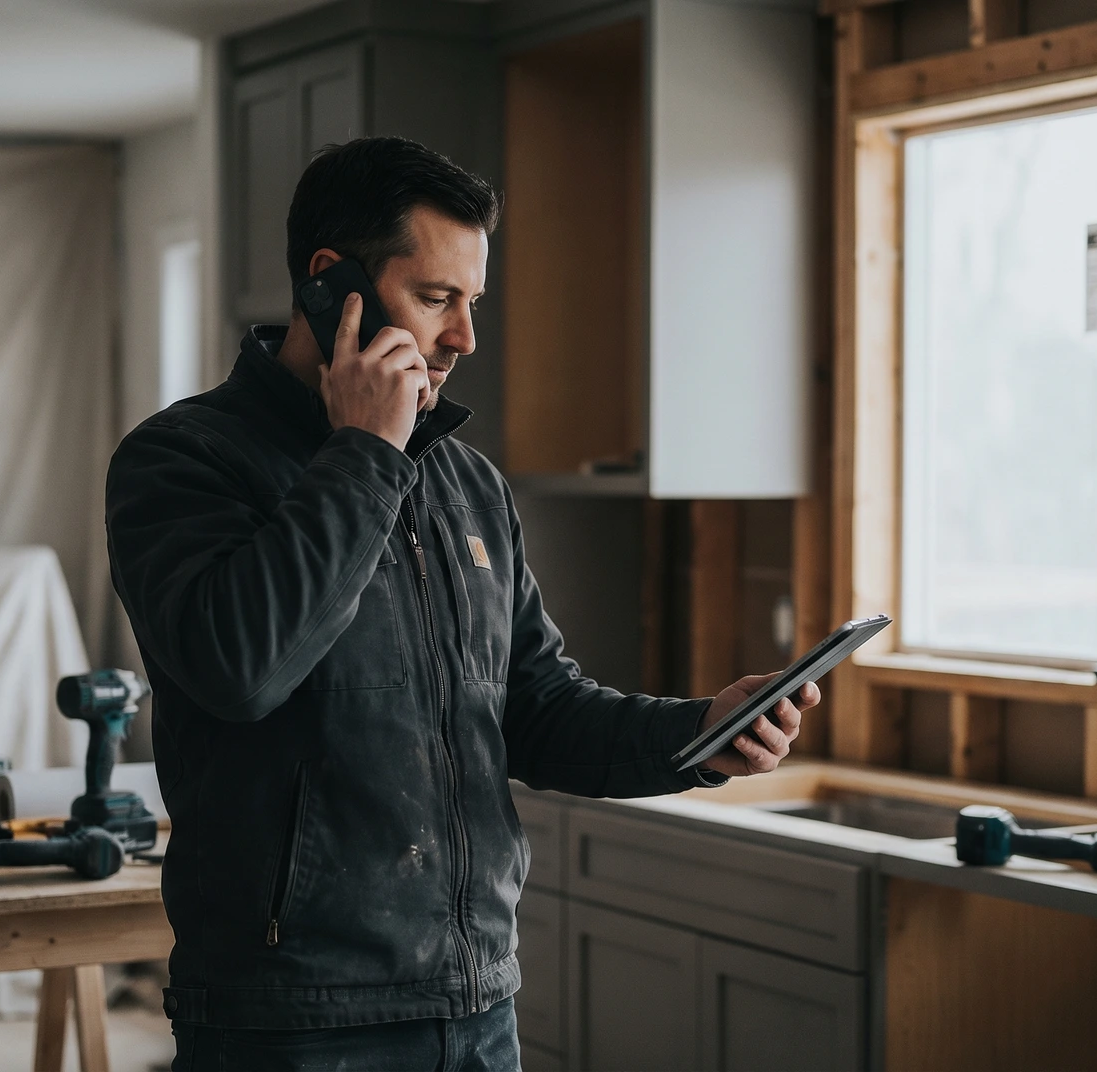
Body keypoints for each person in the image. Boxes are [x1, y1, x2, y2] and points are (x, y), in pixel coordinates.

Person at [105, 136, 820, 1071]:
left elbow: (538, 708)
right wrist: (365, 453)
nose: (464, 338)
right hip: (291, 1019)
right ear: (331, 283)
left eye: (471, 302)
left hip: (478, 1007)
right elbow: (244, 671)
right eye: (437, 298)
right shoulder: (182, 461)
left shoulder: (467, 486)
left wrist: (697, 736)